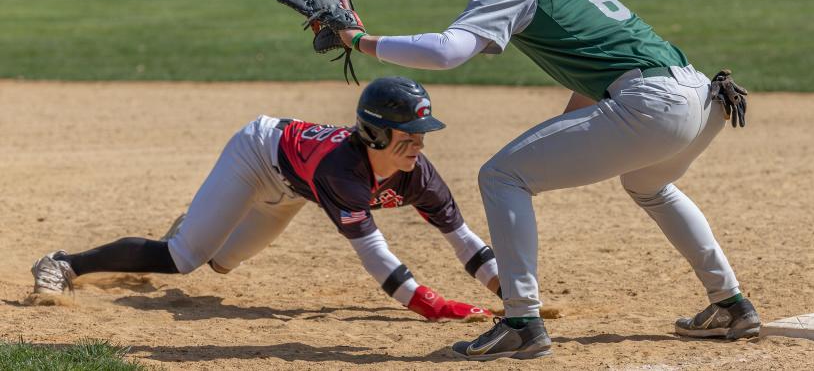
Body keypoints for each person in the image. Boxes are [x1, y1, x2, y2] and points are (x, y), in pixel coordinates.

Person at [334, 0, 759, 360]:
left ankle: (521, 320)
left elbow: (449, 52)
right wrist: (560, 140)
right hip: (701, 97)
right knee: (649, 186)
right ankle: (730, 304)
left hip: (652, 103)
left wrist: (357, 40)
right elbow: (596, 69)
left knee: (501, 175)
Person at [30, 76, 500, 323]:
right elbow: (374, 252)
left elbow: (462, 239)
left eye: (423, 133)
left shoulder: (418, 174)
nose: (420, 143)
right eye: (410, 133)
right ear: (376, 133)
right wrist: (430, 304)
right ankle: (63, 263)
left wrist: (512, 292)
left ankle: (200, 221)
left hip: (294, 189)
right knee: (185, 258)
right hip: (257, 156)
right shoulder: (344, 171)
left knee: (223, 263)